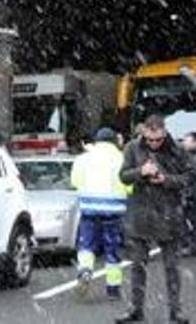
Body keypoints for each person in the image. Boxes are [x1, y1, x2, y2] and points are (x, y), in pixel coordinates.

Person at [116, 115, 192, 324]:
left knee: (172, 267)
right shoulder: (133, 147)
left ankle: (176, 311)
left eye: (158, 139)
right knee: (137, 265)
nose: (153, 143)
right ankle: (135, 309)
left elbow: (190, 178)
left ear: (164, 133)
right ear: (144, 134)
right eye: (149, 139)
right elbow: (122, 175)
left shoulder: (177, 149)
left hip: (169, 213)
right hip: (141, 213)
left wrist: (166, 179)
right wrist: (141, 171)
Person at [70, 127, 130, 299]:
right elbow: (129, 185)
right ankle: (113, 289)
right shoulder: (121, 158)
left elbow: (75, 181)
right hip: (114, 211)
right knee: (112, 249)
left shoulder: (83, 159)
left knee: (86, 244)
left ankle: (85, 270)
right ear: (113, 141)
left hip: (89, 209)